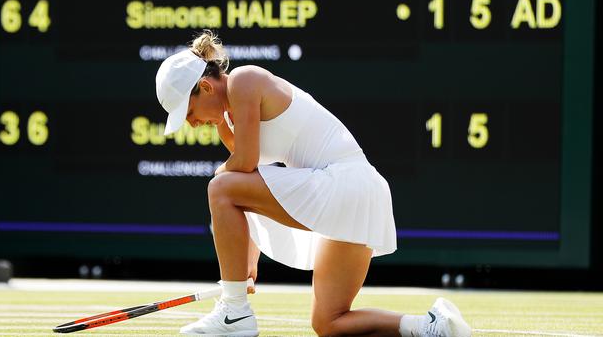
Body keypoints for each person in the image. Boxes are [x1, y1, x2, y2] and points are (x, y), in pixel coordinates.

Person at [155, 31, 472, 337]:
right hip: (358, 196)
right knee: (329, 323)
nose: (192, 124)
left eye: (189, 112)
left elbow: (244, 167)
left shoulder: (244, 80)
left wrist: (234, 292)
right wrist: (247, 263)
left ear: (206, 87)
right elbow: (249, 190)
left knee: (219, 186)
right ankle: (430, 326)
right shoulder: (227, 124)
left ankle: (234, 310)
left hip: (347, 184)